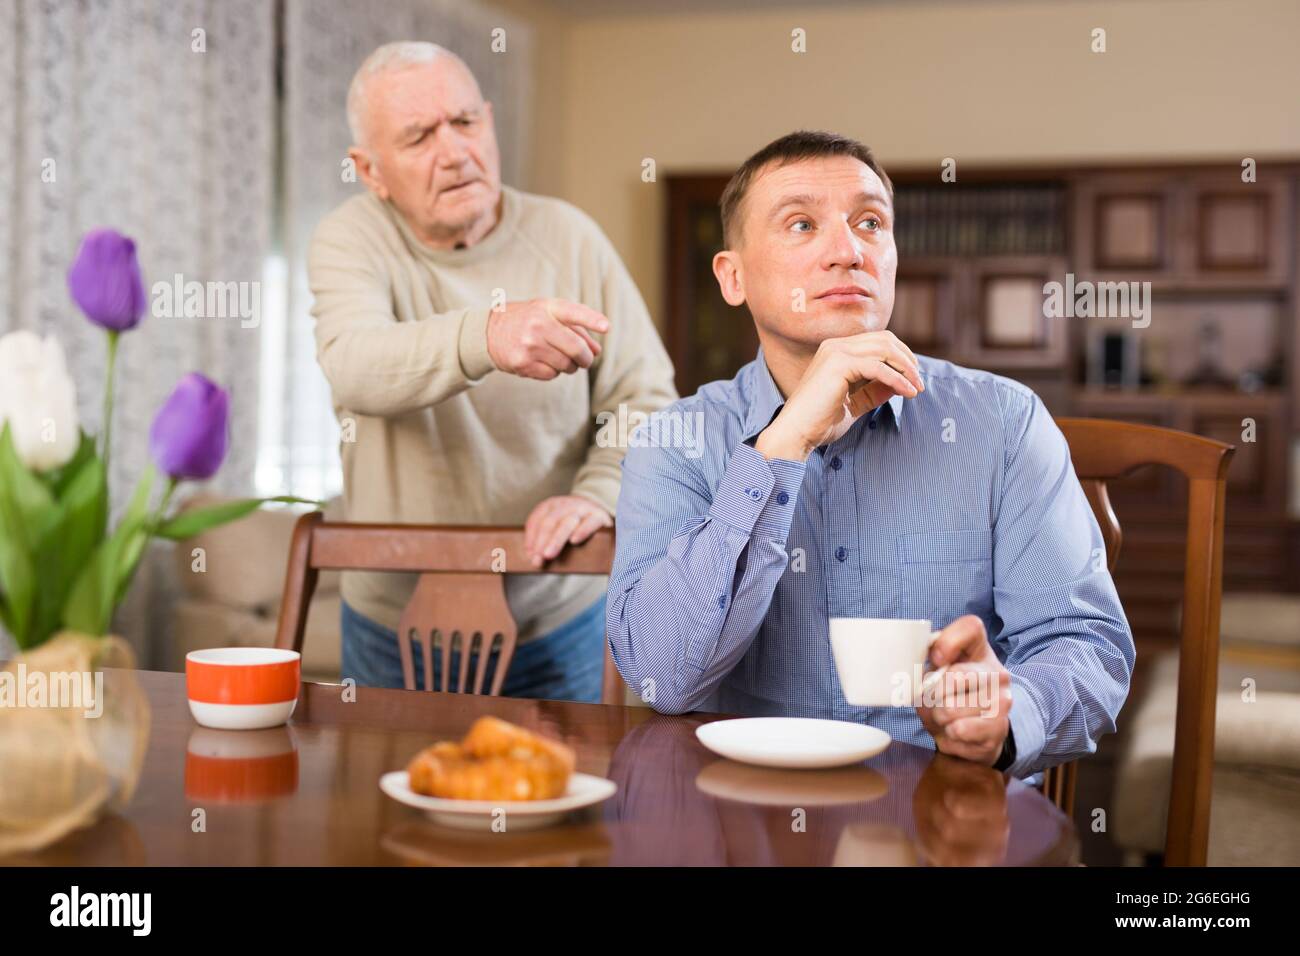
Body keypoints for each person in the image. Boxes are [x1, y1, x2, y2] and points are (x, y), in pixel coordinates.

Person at [607, 130, 1134, 778]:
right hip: (741, 825)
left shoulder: (1003, 424)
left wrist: (1010, 712)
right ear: (733, 276)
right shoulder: (674, 442)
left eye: (870, 223)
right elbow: (663, 676)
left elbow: (1088, 649)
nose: (848, 250)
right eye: (802, 224)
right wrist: (781, 444)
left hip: (945, 829)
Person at [308, 42, 676, 701]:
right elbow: (353, 366)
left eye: (466, 122)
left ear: (490, 123)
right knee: (378, 806)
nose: (454, 152)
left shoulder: (570, 236)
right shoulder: (349, 239)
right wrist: (489, 333)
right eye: (419, 136)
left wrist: (598, 493)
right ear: (370, 170)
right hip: (389, 621)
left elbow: (644, 395)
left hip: (557, 614)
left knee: (567, 802)